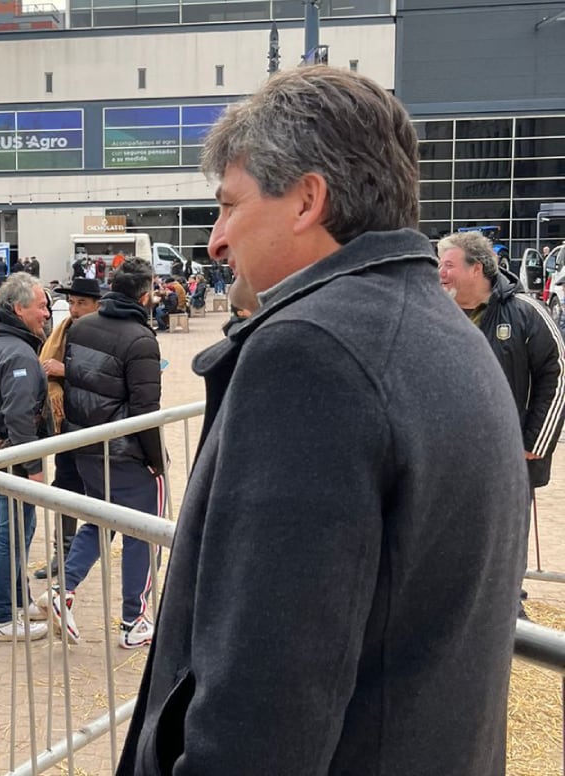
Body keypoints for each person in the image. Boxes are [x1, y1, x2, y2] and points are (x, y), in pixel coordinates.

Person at [117, 66, 530, 776]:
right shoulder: (447, 331)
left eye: (229, 206)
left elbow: (264, 702)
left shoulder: (312, 353)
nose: (215, 242)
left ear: (307, 199)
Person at [37, 260, 165, 649]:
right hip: (124, 450)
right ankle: (134, 619)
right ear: (144, 295)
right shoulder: (141, 338)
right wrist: (156, 460)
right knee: (145, 530)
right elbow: (146, 408)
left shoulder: (83, 327)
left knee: (100, 518)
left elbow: (77, 384)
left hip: (86, 444)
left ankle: (63, 592)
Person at [437, 229, 565, 618]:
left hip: (508, 453)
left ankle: (507, 610)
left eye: (448, 264)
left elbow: (557, 374)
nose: (439, 273)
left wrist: (534, 443)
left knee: (503, 535)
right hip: (447, 452)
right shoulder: (436, 313)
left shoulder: (525, 312)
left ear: (476, 268)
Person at [0, 272, 51, 642]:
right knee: (13, 534)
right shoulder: (18, 352)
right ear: (19, 309)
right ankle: (2, 617)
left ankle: (19, 601)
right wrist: (33, 467)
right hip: (11, 458)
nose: (47, 311)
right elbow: (19, 414)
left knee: (20, 529)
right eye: (41, 305)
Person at [33, 277, 102, 582]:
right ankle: (62, 555)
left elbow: (108, 376)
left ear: (97, 305)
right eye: (71, 303)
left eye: (81, 303)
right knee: (64, 488)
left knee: (102, 494)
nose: (74, 309)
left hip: (98, 427)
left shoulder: (106, 333)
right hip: (67, 427)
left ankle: (90, 553)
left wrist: (66, 371)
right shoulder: (63, 332)